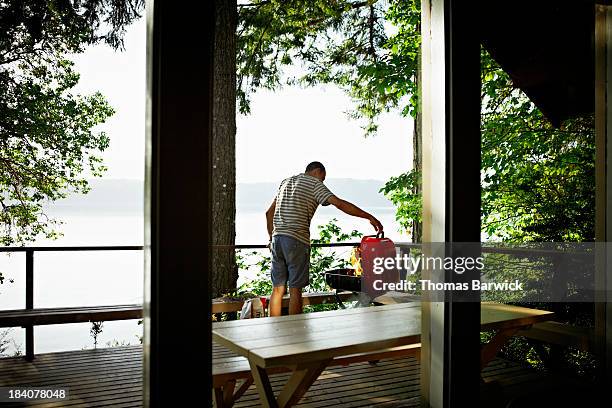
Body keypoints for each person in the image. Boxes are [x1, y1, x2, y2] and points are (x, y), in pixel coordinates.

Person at [265, 161, 383, 316]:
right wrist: (369, 217)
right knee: (295, 290)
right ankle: (294, 331)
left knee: (277, 289)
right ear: (317, 171)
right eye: (323, 178)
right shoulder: (314, 184)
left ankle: (273, 331)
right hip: (296, 240)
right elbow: (339, 204)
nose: (322, 182)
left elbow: (268, 213)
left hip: (277, 239)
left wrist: (270, 239)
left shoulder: (286, 182)